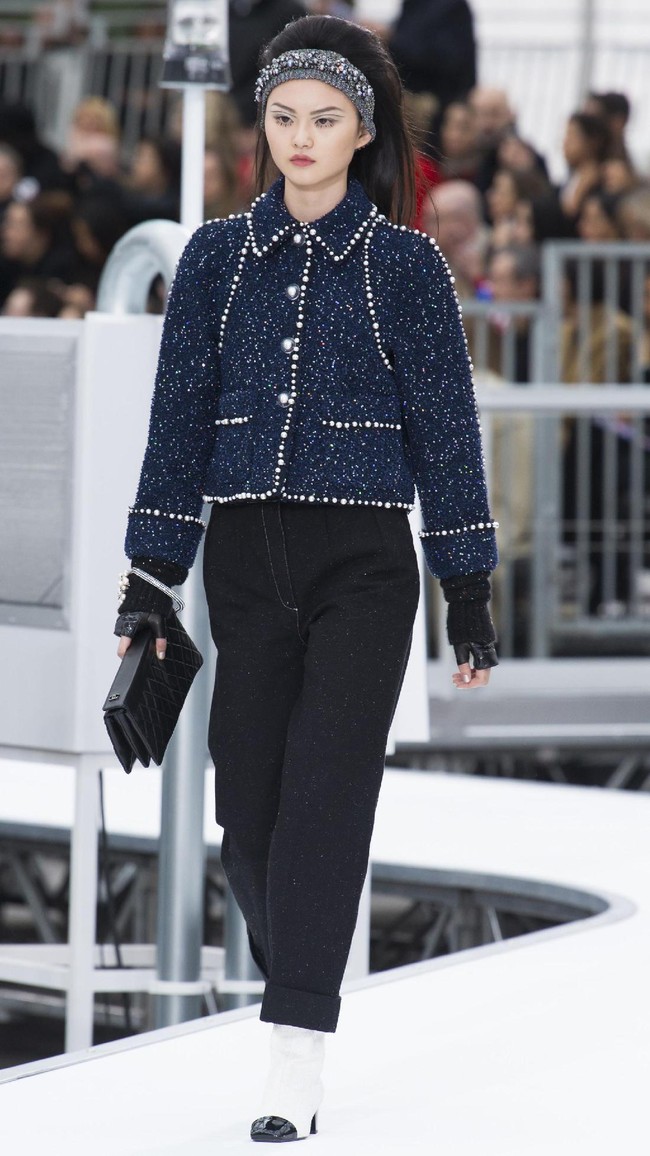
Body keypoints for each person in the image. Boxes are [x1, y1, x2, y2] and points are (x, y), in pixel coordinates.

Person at [113, 14, 499, 1143]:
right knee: (248, 816)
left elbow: (446, 429)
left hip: (365, 565)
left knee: (326, 803)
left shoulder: (403, 265)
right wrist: (153, 576)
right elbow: (175, 424)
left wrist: (464, 585)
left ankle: (294, 1053)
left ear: (359, 130)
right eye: (283, 117)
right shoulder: (216, 264)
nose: (299, 138)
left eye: (322, 120)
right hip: (244, 559)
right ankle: (310, 976)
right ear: (263, 126)